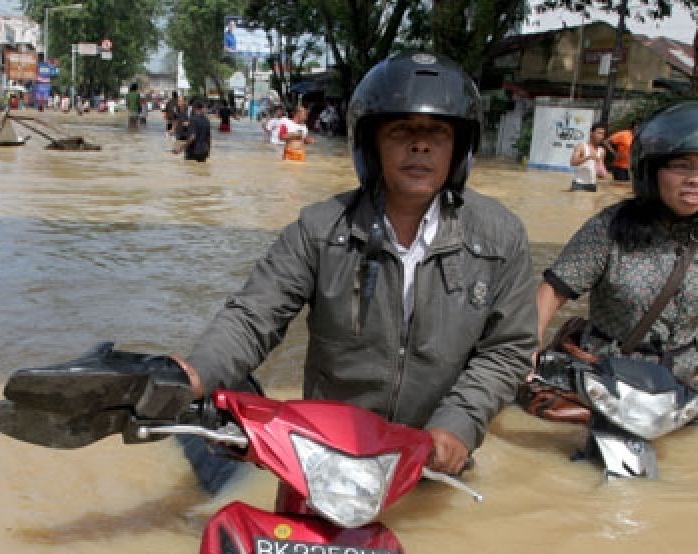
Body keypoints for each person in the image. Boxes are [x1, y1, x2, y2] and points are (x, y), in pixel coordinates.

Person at [172, 53, 538, 475]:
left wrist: (458, 424)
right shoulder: (320, 229)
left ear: (459, 147)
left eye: (437, 133)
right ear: (370, 143)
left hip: (435, 463)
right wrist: (196, 373)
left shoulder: (500, 237)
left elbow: (508, 349)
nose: (420, 146)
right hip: (325, 459)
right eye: (401, 131)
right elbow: (253, 317)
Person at [533, 101, 698, 422]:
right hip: (607, 385)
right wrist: (526, 349)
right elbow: (551, 293)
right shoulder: (610, 228)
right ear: (652, 171)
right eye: (682, 165)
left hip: (687, 393)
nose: (696, 179)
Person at [570, 123, 608, 191]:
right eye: (599, 133)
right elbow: (573, 163)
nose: (601, 136)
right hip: (578, 184)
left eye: (603, 134)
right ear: (591, 133)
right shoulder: (581, 146)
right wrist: (588, 157)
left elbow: (600, 170)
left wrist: (603, 173)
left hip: (593, 185)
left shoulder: (602, 151)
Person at [173, 97, 211, 162]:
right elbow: (209, 138)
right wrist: (208, 151)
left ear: (194, 108)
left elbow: (192, 137)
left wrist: (181, 149)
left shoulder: (193, 120)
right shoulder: (207, 120)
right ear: (201, 108)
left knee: (190, 171)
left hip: (193, 151)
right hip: (204, 152)